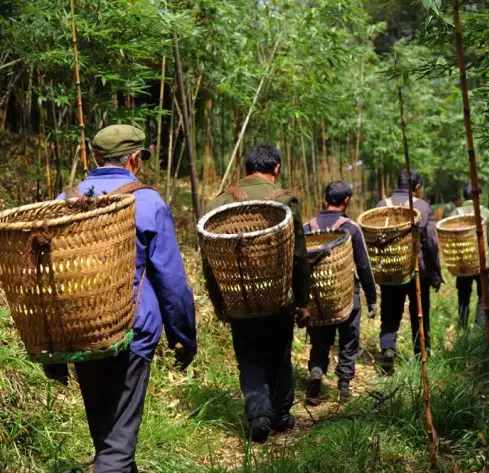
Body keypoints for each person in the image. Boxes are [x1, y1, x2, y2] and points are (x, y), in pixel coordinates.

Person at [44, 124, 197, 473]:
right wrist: (184, 337)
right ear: (133, 160)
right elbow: (172, 282)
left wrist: (53, 346)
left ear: (96, 158)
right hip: (131, 332)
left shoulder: (63, 200)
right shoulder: (147, 201)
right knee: (116, 446)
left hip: (79, 330)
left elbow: (48, 278)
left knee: (108, 436)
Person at [202, 142, 311, 443]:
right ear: (276, 168)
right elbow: (299, 257)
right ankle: (281, 414)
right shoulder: (285, 201)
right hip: (278, 298)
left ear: (246, 169)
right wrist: (303, 301)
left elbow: (209, 263)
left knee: (249, 356)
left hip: (239, 297)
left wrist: (219, 301)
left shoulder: (217, 204)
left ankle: (259, 413)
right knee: (279, 353)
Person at [303, 181, 377, 404]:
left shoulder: (307, 228)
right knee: (348, 340)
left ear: (325, 198)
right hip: (346, 296)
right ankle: (344, 384)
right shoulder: (351, 228)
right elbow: (364, 266)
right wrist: (372, 298)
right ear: (346, 201)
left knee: (320, 340)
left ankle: (316, 371)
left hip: (318, 298)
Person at [376, 169, 441, 372]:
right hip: (417, 271)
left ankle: (388, 349)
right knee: (419, 313)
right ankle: (421, 354)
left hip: (390, 271)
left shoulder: (381, 206)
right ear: (417, 187)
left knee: (389, 313)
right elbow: (430, 242)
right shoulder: (422, 206)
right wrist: (435, 272)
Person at [453, 183, 489, 329]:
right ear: (478, 196)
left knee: (463, 295)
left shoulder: (456, 213)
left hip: (463, 263)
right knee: (484, 297)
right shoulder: (486, 213)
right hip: (483, 262)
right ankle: (480, 329)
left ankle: (462, 326)